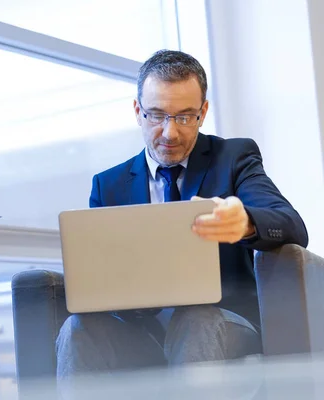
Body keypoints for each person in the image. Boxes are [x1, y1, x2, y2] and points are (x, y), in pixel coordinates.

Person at [56, 49, 309, 393]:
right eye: (156, 115)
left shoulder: (234, 158)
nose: (170, 133)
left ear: (203, 112)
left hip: (222, 323)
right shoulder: (108, 184)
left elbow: (291, 224)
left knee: (196, 318)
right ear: (137, 111)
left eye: (185, 117)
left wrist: (246, 221)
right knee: (77, 328)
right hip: (143, 332)